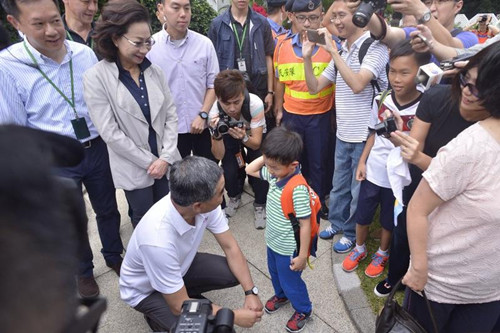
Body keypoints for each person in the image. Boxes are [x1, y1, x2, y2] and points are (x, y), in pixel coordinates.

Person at [0, 0, 124, 298]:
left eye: (55, 21)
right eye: (39, 24)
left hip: (95, 149)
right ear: (15, 23)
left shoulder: (83, 54)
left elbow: (100, 100)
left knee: (108, 208)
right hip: (53, 159)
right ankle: (82, 271)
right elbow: (14, 125)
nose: (53, 31)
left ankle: (114, 254)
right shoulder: (8, 66)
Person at [402, 42, 500, 332]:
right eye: (464, 81)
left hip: (491, 292)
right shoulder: (469, 148)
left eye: (478, 87)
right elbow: (417, 209)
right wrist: (418, 268)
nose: (467, 93)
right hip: (441, 289)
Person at [119, 156, 264, 332]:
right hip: (146, 291)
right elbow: (178, 305)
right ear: (197, 206)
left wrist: (251, 292)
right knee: (211, 328)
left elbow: (230, 247)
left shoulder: (203, 203)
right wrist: (232, 316)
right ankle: (157, 317)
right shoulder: (157, 240)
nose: (223, 194)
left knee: (232, 273)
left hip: (179, 267)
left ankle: (184, 293)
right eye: (220, 192)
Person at [83, 0, 181, 228]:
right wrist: (151, 162)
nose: (145, 50)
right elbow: (110, 132)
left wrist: (165, 158)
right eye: (138, 43)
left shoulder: (154, 71)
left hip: (165, 160)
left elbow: (171, 115)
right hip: (134, 165)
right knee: (144, 219)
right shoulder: (96, 78)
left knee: (169, 214)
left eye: (148, 42)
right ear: (115, 39)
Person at [303, 0, 389, 253]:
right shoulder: (343, 49)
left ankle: (351, 233)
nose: (336, 21)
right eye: (335, 16)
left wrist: (333, 52)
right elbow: (314, 87)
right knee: (339, 185)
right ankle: (338, 223)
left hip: (366, 134)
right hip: (343, 132)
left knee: (357, 188)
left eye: (342, 16)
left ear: (359, 18)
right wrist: (307, 58)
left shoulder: (375, 48)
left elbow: (357, 84)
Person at [341, 40, 430, 278]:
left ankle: (382, 252)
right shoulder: (382, 98)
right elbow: (373, 131)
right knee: (363, 211)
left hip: (400, 174)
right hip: (374, 168)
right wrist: (362, 161)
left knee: (390, 218)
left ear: (419, 73)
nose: (397, 78)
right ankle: (359, 247)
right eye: (392, 71)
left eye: (404, 72)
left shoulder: (426, 104)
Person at [246, 127, 313, 333]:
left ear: (292, 165)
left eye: (273, 167)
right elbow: (249, 170)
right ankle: (281, 295)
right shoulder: (277, 174)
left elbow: (305, 224)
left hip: (288, 248)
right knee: (275, 274)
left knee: (290, 279)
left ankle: (303, 309)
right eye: (268, 165)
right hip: (273, 241)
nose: (269, 171)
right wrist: (266, 158)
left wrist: (302, 256)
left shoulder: (298, 189)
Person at [273, 0, 334, 214]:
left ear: (322, 16)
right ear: (291, 17)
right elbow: (279, 80)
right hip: (292, 115)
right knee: (293, 161)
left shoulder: (330, 45)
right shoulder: (282, 45)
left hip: (320, 115)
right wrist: (278, 108)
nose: (307, 23)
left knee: (318, 163)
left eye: (314, 18)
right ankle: (292, 200)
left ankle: (317, 204)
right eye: (302, 18)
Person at [148, 0, 219, 161]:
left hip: (202, 126)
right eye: (176, 7)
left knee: (208, 176)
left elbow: (213, 84)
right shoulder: (151, 47)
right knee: (176, 181)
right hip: (170, 130)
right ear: (161, 9)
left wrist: (202, 114)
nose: (183, 14)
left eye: (187, 8)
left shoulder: (204, 44)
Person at [209, 70, 268, 228]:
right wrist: (216, 134)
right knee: (229, 168)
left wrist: (243, 137)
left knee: (260, 166)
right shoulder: (214, 113)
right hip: (228, 133)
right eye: (226, 103)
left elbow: (256, 143)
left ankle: (261, 203)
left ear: (243, 94)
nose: (232, 108)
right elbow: (218, 155)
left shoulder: (254, 104)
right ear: (218, 99)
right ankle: (234, 195)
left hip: (251, 134)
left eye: (237, 102)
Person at [350, 0, 478, 63]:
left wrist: (422, 12)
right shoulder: (416, 32)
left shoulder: (469, 38)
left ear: (458, 6)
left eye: (441, 1)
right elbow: (387, 33)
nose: (432, 8)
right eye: (427, 2)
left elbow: (452, 51)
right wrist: (364, 8)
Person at [208, 0, 275, 113]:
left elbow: (268, 57)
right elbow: (211, 62)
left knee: (259, 127)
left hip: (258, 89)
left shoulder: (262, 23)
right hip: (228, 93)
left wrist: (270, 92)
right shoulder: (217, 24)